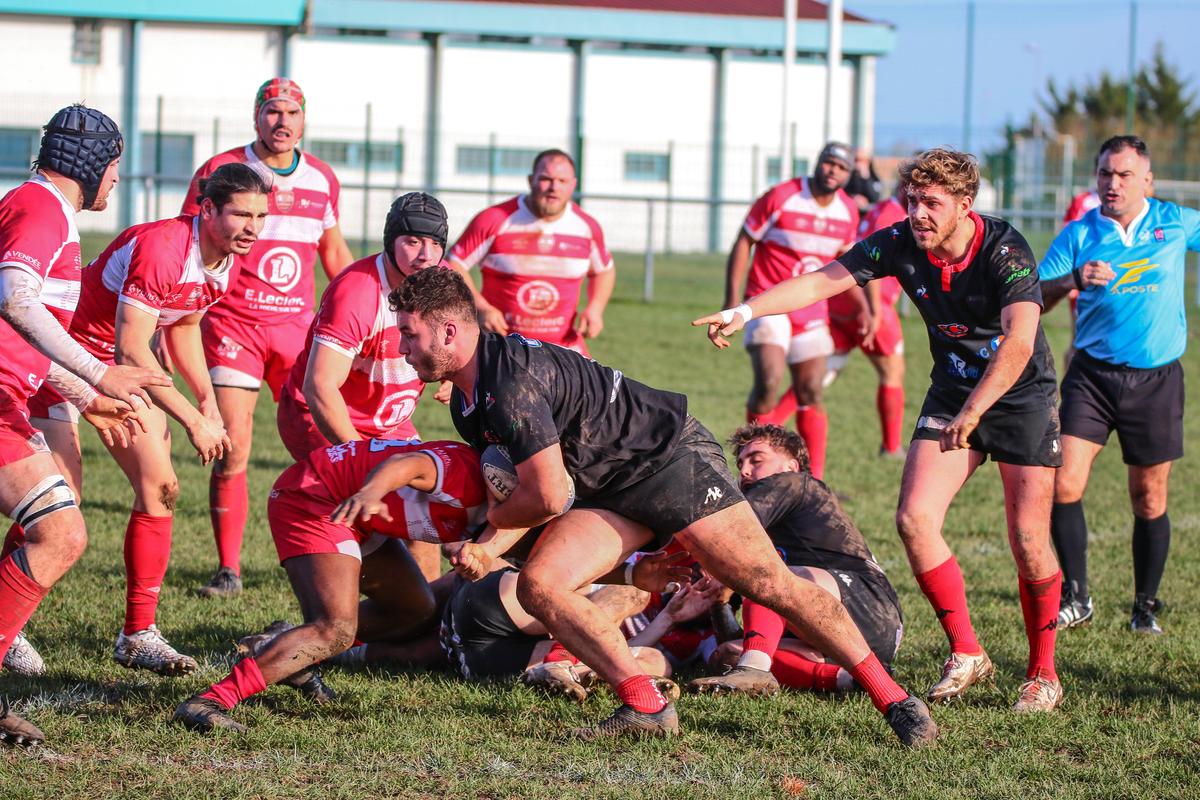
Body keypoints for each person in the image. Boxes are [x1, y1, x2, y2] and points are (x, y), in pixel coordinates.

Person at [388, 267, 937, 747]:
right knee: (541, 586)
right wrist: (490, 545)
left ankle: (896, 699)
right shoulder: (468, 397)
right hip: (610, 490)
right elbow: (532, 492)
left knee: (770, 584)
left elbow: (547, 497)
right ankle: (646, 705)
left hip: (669, 463)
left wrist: (489, 533)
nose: (403, 349)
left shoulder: (508, 385)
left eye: (409, 336)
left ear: (450, 331)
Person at [696, 147, 1065, 713]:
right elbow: (821, 281)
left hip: (1020, 396)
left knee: (1028, 540)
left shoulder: (1005, 248)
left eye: (932, 203)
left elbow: (1019, 342)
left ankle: (1043, 673)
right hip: (953, 390)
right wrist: (745, 311)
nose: (917, 213)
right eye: (911, 200)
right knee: (915, 520)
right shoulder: (898, 242)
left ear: (965, 206)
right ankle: (968, 652)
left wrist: (975, 411)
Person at [28, 163, 269, 677]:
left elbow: (183, 327)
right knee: (56, 501)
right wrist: (190, 420)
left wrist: (206, 398)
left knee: (161, 487)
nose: (253, 227)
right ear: (206, 209)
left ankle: (138, 634)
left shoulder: (225, 261)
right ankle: (11, 627)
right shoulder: (165, 248)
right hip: (63, 361)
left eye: (261, 216)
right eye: (241, 215)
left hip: (115, 372)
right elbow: (133, 345)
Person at [0, 105, 171, 746]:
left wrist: (82, 391)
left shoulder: (46, 212)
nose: (117, 180)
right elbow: (12, 298)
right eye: (115, 166)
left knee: (59, 529)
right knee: (61, 531)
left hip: (11, 401)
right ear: (92, 163)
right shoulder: (42, 209)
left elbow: (25, 337)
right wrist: (100, 376)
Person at [172, 437, 489, 732]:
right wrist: (371, 492)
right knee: (335, 628)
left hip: (355, 512)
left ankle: (289, 650)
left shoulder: (509, 500)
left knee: (414, 607)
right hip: (314, 498)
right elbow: (407, 463)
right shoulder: (468, 473)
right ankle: (211, 700)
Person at [182, 77, 353, 599]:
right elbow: (186, 239)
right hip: (235, 325)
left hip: (299, 332)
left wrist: (368, 314)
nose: (282, 122)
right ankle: (228, 570)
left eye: (292, 113)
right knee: (234, 446)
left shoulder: (323, 179)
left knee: (323, 446)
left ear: (304, 121)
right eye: (273, 112)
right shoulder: (220, 170)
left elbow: (334, 255)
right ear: (256, 118)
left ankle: (329, 551)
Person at [1039, 136, 1197, 634]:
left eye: (1125, 174)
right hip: (1093, 376)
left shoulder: (1175, 222)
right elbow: (1034, 297)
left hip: (1157, 379)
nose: (1113, 183)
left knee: (1148, 497)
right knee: (1062, 482)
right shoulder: (1079, 233)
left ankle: (1144, 606)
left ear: (1147, 180)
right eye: (1106, 173)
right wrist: (1073, 280)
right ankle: (1077, 596)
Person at [275, 192, 446, 580]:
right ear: (390, 240)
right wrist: (362, 460)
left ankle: (428, 631)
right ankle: (339, 616)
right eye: (413, 241)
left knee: (426, 512)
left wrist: (451, 373)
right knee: (368, 512)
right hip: (318, 415)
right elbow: (319, 387)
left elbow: (460, 343)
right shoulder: (357, 291)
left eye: (435, 243)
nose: (425, 254)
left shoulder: (440, 283)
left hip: (387, 422)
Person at [687, 424, 903, 696]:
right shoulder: (769, 517)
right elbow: (738, 636)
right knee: (728, 654)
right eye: (741, 463)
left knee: (767, 577)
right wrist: (719, 605)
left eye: (757, 460)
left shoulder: (792, 482)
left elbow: (729, 532)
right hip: (854, 641)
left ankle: (754, 668)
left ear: (792, 465)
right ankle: (847, 680)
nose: (744, 470)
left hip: (869, 607)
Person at [724, 142, 862, 480]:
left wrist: (867, 308)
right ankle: (755, 470)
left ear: (848, 175)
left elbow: (847, 266)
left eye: (841, 167)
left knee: (811, 389)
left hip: (812, 310)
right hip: (768, 303)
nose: (833, 171)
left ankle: (812, 480)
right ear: (818, 163)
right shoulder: (782, 196)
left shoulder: (847, 211)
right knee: (769, 382)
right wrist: (732, 302)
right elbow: (744, 242)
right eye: (829, 163)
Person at [449, 149, 614, 355]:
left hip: (565, 351)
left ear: (573, 184)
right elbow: (453, 264)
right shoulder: (495, 219)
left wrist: (596, 308)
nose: (554, 187)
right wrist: (480, 307)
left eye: (562, 181)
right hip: (504, 348)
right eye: (546, 179)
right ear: (530, 180)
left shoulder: (587, 227)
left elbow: (604, 270)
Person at [825, 184, 909, 458]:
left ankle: (770, 420)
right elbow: (873, 263)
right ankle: (892, 446)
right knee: (892, 371)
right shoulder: (893, 214)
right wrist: (872, 310)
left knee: (823, 372)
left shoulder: (882, 209)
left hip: (844, 295)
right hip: (871, 299)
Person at [845, 147, 882, 216]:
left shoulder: (874, 178)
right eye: (856, 160)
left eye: (862, 160)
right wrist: (853, 198)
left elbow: (876, 198)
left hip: (868, 217)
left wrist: (865, 177)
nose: (858, 164)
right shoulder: (847, 176)